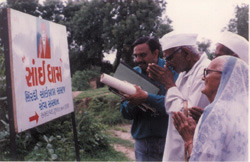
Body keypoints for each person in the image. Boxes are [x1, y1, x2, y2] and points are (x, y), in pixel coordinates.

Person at [147, 31, 211, 161]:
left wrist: (169, 84)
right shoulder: (183, 72)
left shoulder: (206, 72)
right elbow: (172, 106)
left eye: (169, 58)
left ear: (186, 53)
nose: (166, 64)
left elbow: (186, 117)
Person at [173, 55, 248, 161]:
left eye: (207, 72)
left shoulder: (215, 112)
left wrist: (189, 139)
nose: (203, 77)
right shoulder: (243, 110)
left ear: (224, 76)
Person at [120, 36, 178, 161]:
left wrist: (146, 98)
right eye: (135, 56)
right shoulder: (132, 75)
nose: (138, 60)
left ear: (156, 53)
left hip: (170, 139)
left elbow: (177, 104)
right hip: (143, 143)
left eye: (142, 55)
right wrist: (132, 101)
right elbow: (125, 114)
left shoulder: (172, 71)